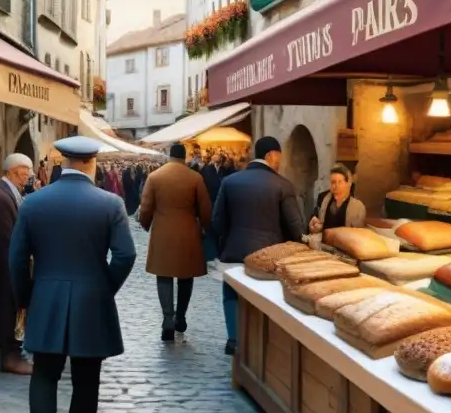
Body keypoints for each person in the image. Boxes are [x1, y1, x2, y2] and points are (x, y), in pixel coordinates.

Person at [9, 136, 136, 413]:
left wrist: (26, 298)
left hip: (46, 296)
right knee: (86, 383)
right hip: (90, 301)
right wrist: (102, 289)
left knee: (45, 373)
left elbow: (17, 259)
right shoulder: (110, 203)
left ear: (63, 162)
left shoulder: (32, 202)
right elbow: (125, 256)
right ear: (92, 162)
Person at [211, 136, 305, 355]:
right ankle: (261, 345)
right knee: (265, 298)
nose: (280, 162)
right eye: (279, 156)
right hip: (268, 256)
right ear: (271, 155)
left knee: (231, 295)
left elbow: (217, 221)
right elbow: (295, 226)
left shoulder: (230, 182)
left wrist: (226, 243)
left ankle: (233, 339)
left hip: (234, 252)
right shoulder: (283, 185)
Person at [138, 142, 211, 341]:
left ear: (170, 156)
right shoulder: (195, 178)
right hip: (188, 232)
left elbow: (145, 207)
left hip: (162, 232)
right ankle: (180, 316)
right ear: (184, 156)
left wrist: (145, 224)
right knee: (186, 276)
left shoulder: (155, 177)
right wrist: (204, 227)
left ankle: (167, 318)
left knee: (164, 275)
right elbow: (205, 209)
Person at [0, 152, 35, 376]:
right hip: (6, 268)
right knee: (7, 310)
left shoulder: (9, 194)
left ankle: (16, 352)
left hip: (12, 266)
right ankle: (10, 357)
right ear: (16, 170)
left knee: (14, 311)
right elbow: (5, 240)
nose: (29, 176)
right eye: (27, 171)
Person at [309, 163, 367, 232]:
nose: (336, 186)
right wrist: (314, 225)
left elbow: (359, 236)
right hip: (323, 241)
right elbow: (316, 221)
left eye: (340, 182)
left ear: (348, 184)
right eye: (333, 182)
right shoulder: (323, 200)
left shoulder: (358, 208)